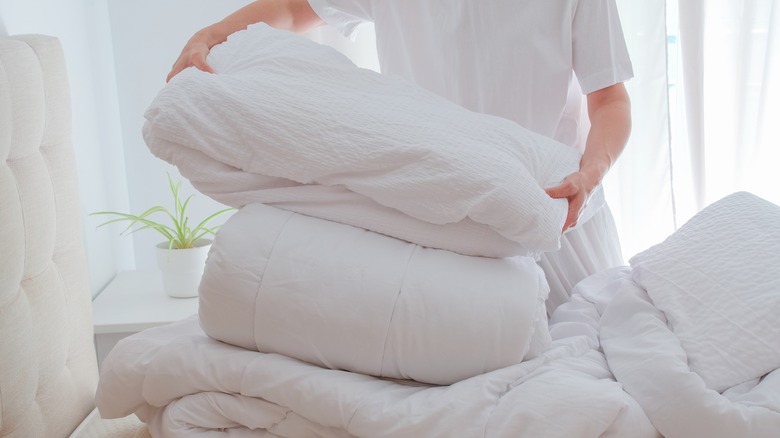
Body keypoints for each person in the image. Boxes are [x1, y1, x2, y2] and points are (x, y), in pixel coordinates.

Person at [167, 0, 633, 315]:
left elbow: (610, 99)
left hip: (556, 210)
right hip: (437, 212)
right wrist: (214, 33)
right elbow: (294, 7)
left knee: (588, 371)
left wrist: (592, 171)